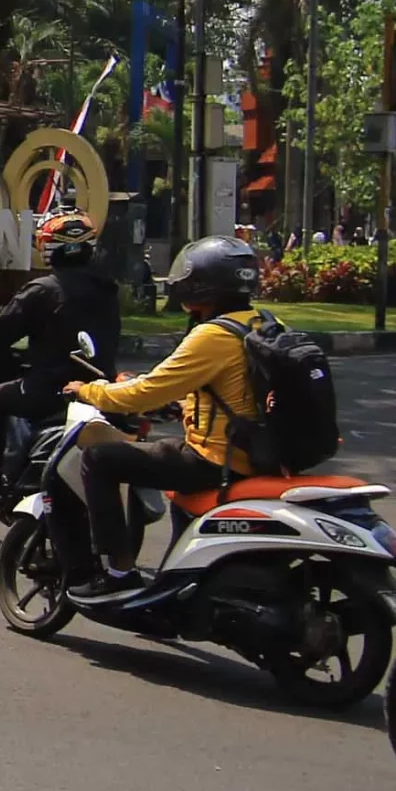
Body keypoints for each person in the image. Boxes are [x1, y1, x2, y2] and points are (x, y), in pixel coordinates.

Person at [59, 235, 270, 605]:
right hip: (260, 453)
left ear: (201, 285)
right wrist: (182, 405)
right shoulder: (263, 323)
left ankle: (117, 573)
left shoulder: (213, 335)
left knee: (100, 459)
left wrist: (88, 390)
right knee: (165, 458)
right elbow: (234, 390)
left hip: (216, 461)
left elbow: (147, 390)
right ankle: (181, 579)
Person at [0, 210, 120, 498]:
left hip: (50, 389)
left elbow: (0, 332)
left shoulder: (42, 290)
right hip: (99, 386)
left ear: (48, 247)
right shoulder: (108, 290)